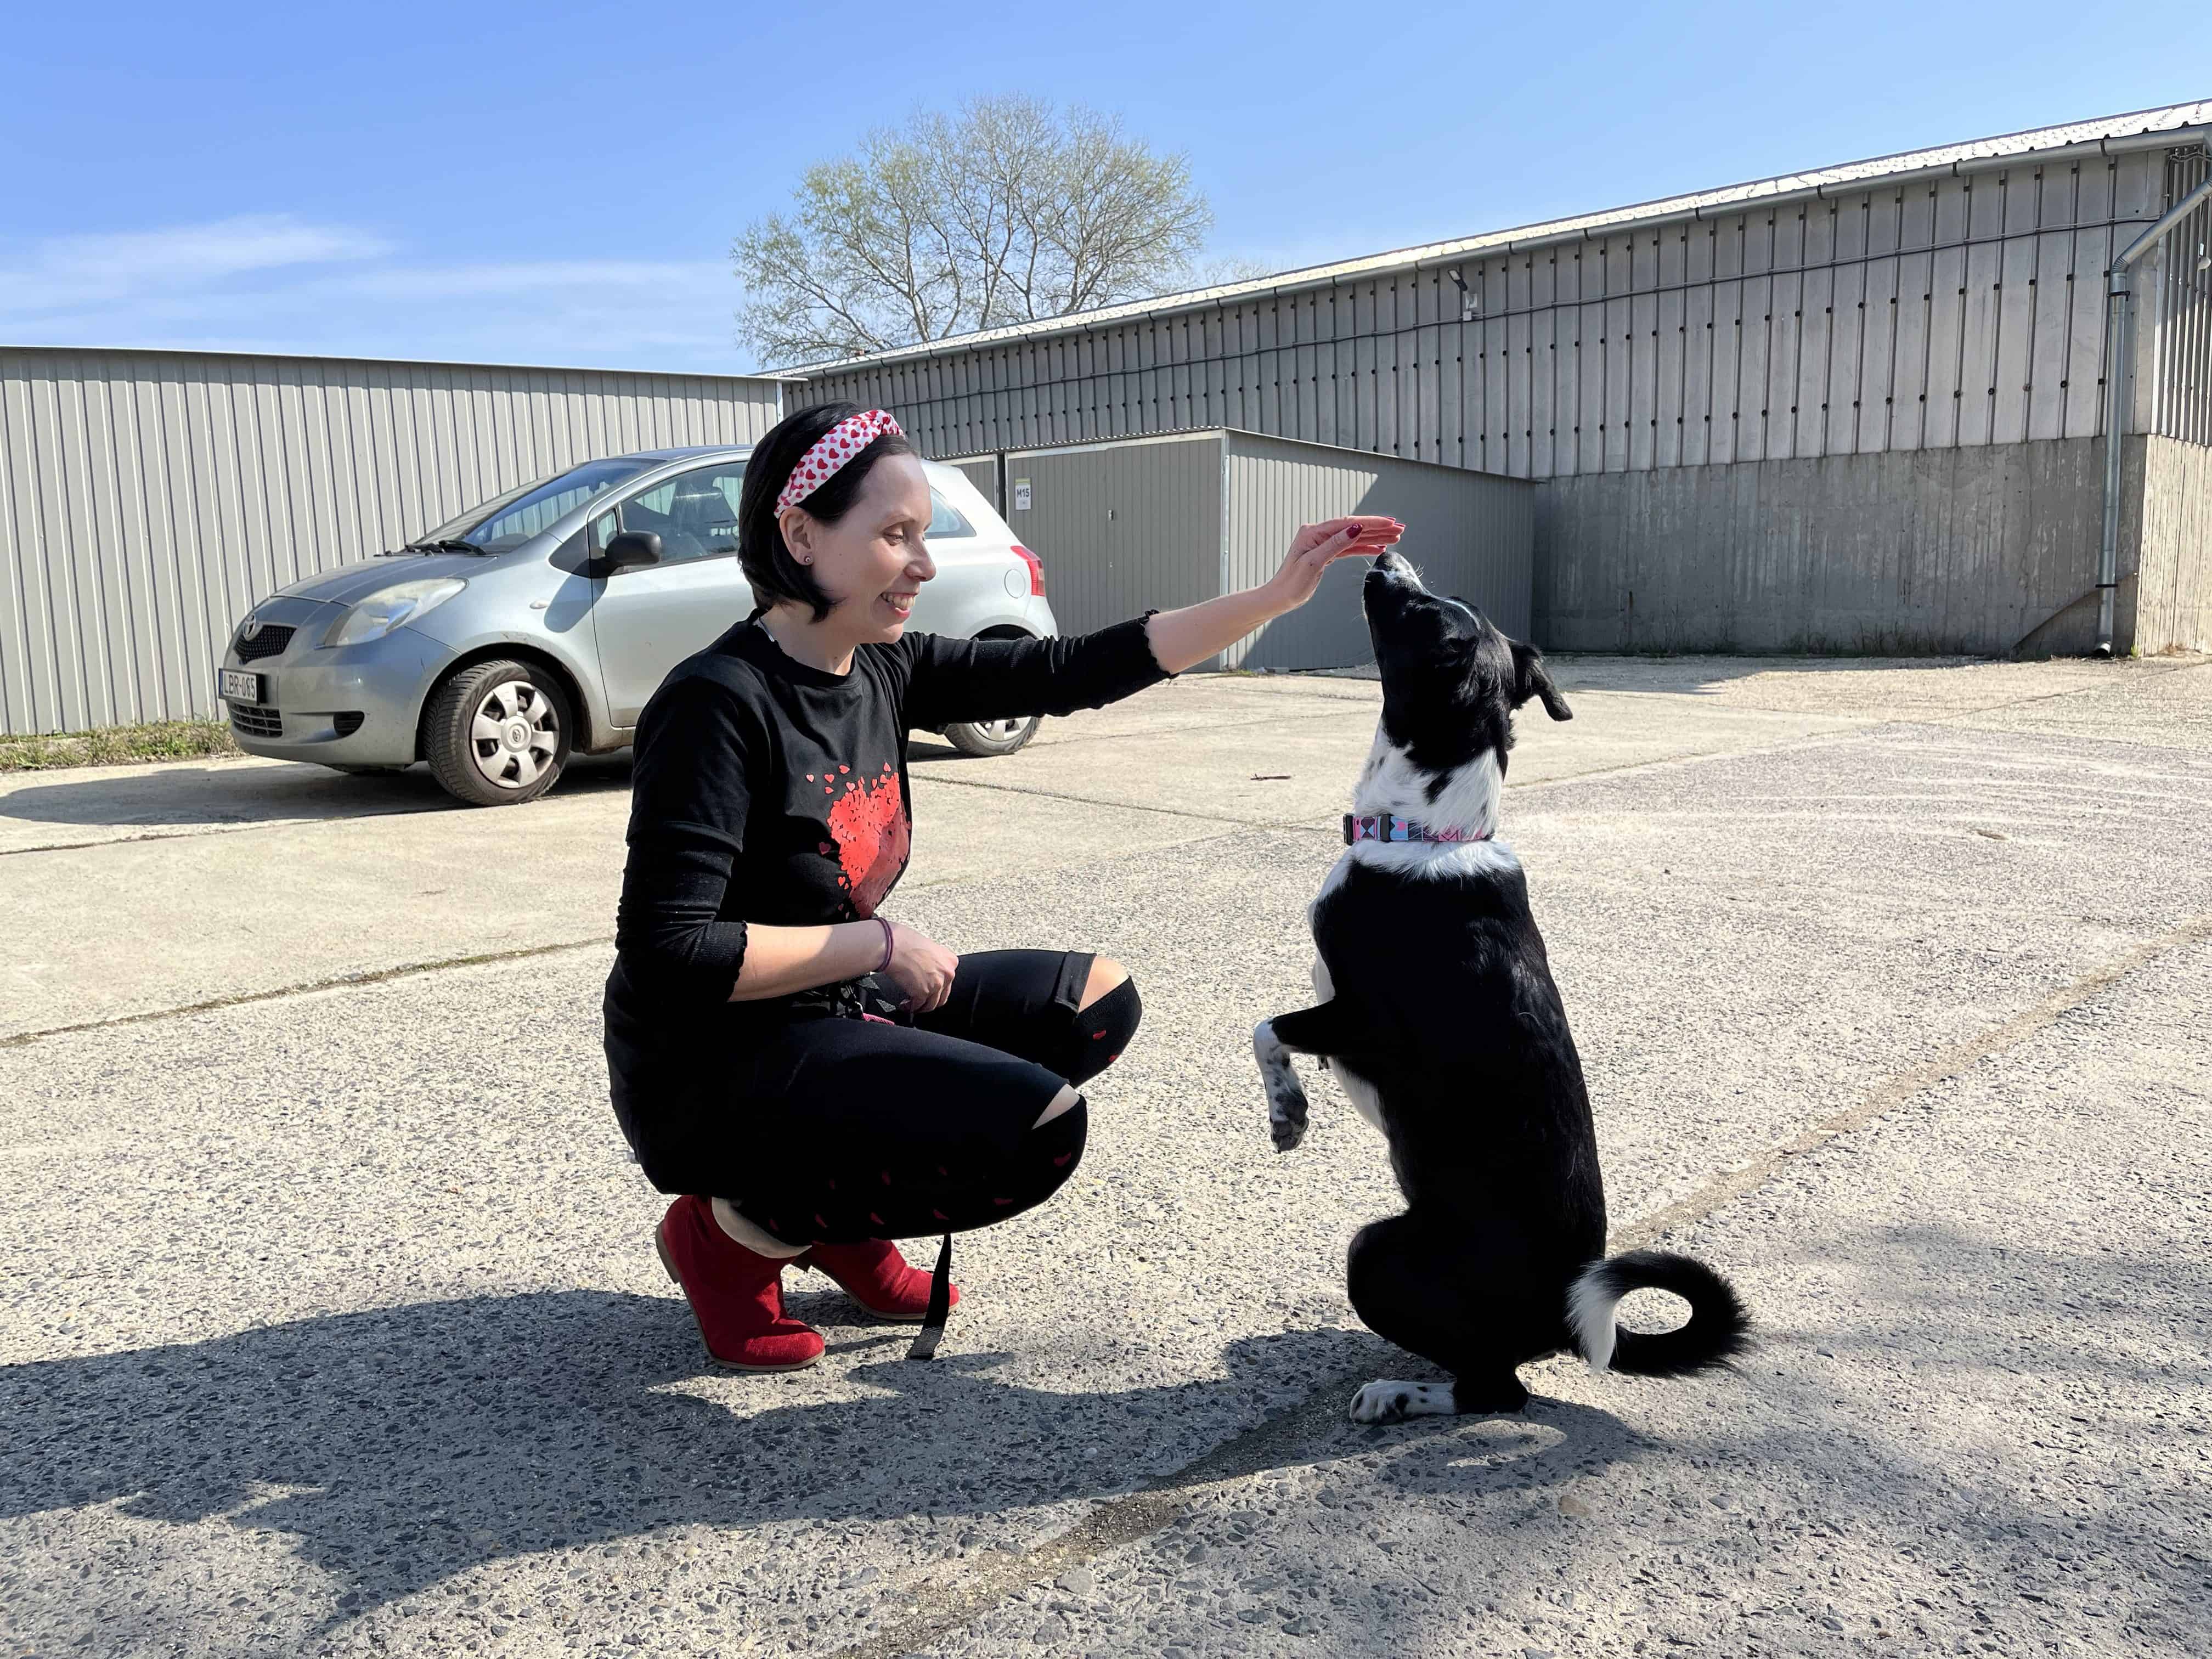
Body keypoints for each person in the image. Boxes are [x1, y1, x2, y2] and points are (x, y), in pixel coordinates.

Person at [604, 402, 1403, 1370]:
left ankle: (838, 1218)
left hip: (832, 1014)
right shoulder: (717, 704)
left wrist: (1275, 596)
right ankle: (736, 1234)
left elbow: (1075, 669)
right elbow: (668, 955)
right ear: (801, 532)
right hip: (710, 1067)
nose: (924, 562)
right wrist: (881, 946)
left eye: (924, 534)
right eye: (895, 535)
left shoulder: (883, 667)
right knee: (1034, 1132)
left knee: (1096, 1003)